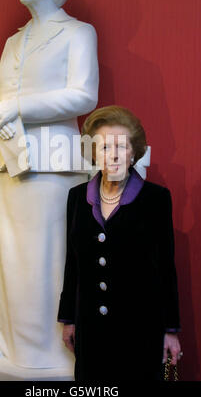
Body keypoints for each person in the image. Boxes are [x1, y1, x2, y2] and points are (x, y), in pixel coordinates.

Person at [0, 0, 98, 370]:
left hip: (52, 161)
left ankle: (48, 348)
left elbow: (84, 94)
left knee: (48, 253)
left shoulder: (78, 33)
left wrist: (18, 108)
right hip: (12, 159)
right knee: (9, 252)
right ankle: (7, 338)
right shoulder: (14, 42)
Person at [58, 105, 182, 380]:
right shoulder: (77, 198)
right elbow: (73, 263)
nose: (113, 155)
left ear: (134, 152)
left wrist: (170, 330)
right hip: (90, 332)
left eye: (122, 146)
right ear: (93, 153)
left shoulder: (156, 199)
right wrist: (68, 320)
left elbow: (166, 269)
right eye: (103, 147)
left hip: (140, 331)